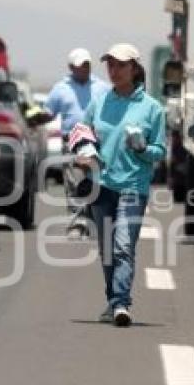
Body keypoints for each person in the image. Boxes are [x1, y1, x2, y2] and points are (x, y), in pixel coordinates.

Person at [76, 43, 166, 327]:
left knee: (123, 246)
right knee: (106, 249)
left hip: (133, 187)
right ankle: (113, 299)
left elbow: (160, 152)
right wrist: (84, 154)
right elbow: (82, 132)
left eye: (121, 65)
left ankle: (121, 304)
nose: (114, 71)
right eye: (110, 65)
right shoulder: (99, 102)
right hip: (100, 186)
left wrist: (142, 149)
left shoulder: (153, 109)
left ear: (134, 69)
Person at [45, 48, 110, 237]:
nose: (84, 69)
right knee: (75, 183)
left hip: (96, 142)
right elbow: (49, 112)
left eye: (87, 65)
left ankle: (92, 220)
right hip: (71, 142)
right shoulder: (60, 88)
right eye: (80, 66)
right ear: (71, 67)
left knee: (96, 183)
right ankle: (77, 224)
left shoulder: (102, 87)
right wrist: (33, 117)